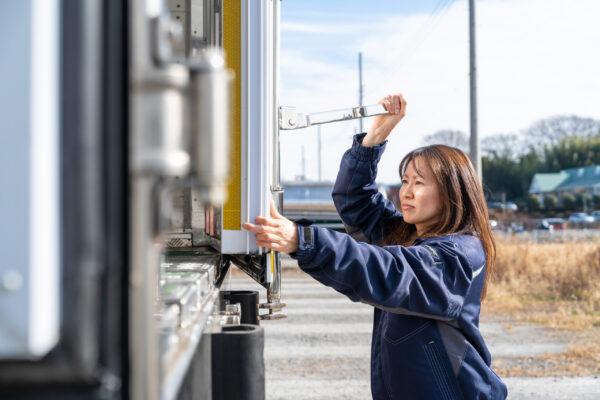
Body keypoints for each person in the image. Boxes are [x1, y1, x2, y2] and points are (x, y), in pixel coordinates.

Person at [242, 93, 508, 400]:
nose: (406, 192)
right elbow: (356, 201)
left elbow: (389, 271)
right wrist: (373, 139)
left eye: (419, 183)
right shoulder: (407, 234)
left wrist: (302, 241)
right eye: (404, 181)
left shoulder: (460, 254)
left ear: (452, 191)